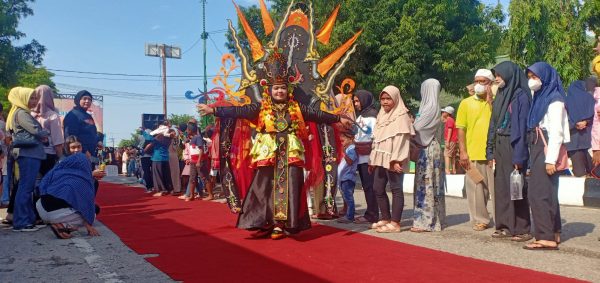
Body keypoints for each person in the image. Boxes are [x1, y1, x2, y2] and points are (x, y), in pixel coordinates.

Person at [197, 52, 346, 239]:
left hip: (290, 153)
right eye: (276, 88)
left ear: (288, 89)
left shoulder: (297, 108)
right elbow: (239, 110)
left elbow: (318, 115)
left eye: (282, 88)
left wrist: (338, 117)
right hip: (267, 153)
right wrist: (214, 109)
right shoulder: (260, 108)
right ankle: (263, 221)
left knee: (289, 187)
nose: (279, 92)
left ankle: (281, 224)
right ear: (270, 89)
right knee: (263, 187)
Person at [523, 62, 569, 251]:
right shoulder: (540, 97)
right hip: (539, 145)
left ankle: (544, 237)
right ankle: (554, 231)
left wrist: (550, 159)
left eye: (535, 77)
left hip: (547, 146)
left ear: (546, 77)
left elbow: (556, 131)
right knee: (548, 192)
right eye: (530, 77)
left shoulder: (555, 99)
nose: (532, 81)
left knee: (538, 193)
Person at [486, 61, 532, 242]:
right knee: (502, 188)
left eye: (499, 75)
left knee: (517, 187)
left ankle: (522, 228)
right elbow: (493, 123)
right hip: (500, 144)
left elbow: (521, 127)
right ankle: (504, 226)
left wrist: (519, 155)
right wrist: (489, 151)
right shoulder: (502, 94)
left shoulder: (520, 96)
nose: (497, 78)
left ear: (509, 74)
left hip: (514, 144)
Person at [368, 85, 414, 233]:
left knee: (396, 189)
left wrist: (396, 160)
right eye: (383, 98)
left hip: (394, 159)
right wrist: (372, 159)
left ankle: (395, 223)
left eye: (388, 98)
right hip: (380, 158)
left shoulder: (401, 116)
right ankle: (386, 218)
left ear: (395, 99)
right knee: (377, 188)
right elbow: (377, 139)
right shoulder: (381, 115)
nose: (385, 102)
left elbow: (402, 140)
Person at [456, 69, 495, 232]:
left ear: (491, 84)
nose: (479, 84)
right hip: (473, 153)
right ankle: (481, 219)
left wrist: (491, 100)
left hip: (493, 154)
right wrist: (463, 152)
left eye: (483, 81)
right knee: (477, 189)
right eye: (476, 81)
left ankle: (502, 220)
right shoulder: (466, 103)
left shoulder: (497, 102)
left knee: (497, 190)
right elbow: (461, 129)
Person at [6, 87, 49, 232]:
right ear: (22, 98)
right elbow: (36, 131)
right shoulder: (22, 113)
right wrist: (46, 132)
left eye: (35, 98)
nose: (35, 101)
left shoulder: (19, 112)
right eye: (31, 98)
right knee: (25, 188)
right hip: (29, 154)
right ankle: (21, 222)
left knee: (26, 187)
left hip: (29, 153)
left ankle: (28, 219)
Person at [411, 79, 446, 232]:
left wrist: (410, 125)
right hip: (432, 147)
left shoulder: (430, 107)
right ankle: (431, 219)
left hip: (428, 149)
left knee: (426, 184)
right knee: (430, 183)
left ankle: (427, 221)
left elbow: (418, 128)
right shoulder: (430, 106)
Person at [351, 90, 379, 224]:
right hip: (361, 156)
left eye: (358, 101)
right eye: (355, 101)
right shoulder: (361, 116)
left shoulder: (373, 117)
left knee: (370, 186)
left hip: (369, 157)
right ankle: (371, 212)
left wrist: (373, 157)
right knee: (366, 186)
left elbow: (375, 137)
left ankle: (372, 214)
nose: (356, 103)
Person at [31, 85, 64, 176]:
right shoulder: (53, 116)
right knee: (46, 183)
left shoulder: (29, 114)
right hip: (48, 154)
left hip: (30, 153)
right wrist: (60, 157)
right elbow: (57, 141)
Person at [565, 80, 595, 177]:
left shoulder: (566, 102)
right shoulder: (591, 101)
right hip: (590, 142)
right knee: (595, 172)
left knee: (579, 174)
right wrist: (586, 122)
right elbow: (595, 118)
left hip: (574, 143)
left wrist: (575, 124)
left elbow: (563, 123)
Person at [63, 90, 98, 164]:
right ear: (78, 100)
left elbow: (92, 132)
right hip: (79, 154)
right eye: (84, 99)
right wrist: (84, 151)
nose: (87, 101)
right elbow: (71, 136)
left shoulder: (88, 116)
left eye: (89, 99)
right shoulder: (73, 115)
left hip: (91, 152)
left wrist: (98, 141)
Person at [336, 130, 358, 223]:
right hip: (344, 178)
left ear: (351, 139)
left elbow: (350, 161)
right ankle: (348, 213)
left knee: (349, 198)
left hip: (348, 178)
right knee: (346, 197)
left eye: (343, 141)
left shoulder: (352, 148)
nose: (342, 143)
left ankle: (350, 216)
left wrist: (344, 152)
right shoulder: (349, 148)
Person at [150, 125, 173, 196]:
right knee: (166, 174)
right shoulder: (169, 138)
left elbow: (149, 141)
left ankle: (161, 190)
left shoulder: (158, 138)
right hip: (165, 158)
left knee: (158, 175)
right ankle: (169, 189)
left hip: (157, 157)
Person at [441, 106, 457, 174]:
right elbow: (442, 120)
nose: (442, 113)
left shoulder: (450, 120)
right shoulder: (450, 119)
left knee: (446, 154)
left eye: (444, 112)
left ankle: (447, 170)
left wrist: (447, 141)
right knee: (452, 155)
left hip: (450, 140)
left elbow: (450, 130)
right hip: (453, 139)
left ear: (447, 113)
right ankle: (453, 170)